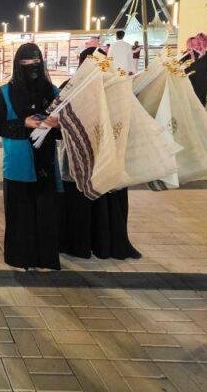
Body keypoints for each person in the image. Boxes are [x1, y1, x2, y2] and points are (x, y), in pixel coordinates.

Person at [58, 53, 141, 262]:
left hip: (86, 157)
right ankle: (100, 244)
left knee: (85, 201)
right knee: (98, 201)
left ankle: (81, 244)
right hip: (101, 157)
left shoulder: (76, 86)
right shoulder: (113, 87)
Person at [0, 43, 62, 270]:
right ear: (17, 64)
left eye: (36, 61)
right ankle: (20, 257)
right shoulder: (6, 92)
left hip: (45, 160)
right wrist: (24, 123)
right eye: (26, 62)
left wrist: (56, 124)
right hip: (19, 160)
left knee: (45, 210)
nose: (31, 66)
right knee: (20, 211)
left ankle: (45, 258)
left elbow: (64, 126)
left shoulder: (52, 91)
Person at [180, 33, 207, 106]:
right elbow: (180, 64)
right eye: (194, 44)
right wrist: (191, 56)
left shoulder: (205, 54)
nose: (196, 45)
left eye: (198, 43)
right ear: (190, 45)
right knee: (191, 100)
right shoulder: (187, 54)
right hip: (190, 81)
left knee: (201, 100)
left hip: (202, 82)